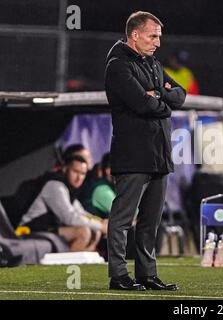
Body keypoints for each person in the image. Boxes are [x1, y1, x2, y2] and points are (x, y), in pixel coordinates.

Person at [105, 11, 186, 291]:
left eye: (159, 37)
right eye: (153, 36)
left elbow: (181, 94)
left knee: (151, 221)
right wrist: (162, 103)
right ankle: (118, 275)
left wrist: (159, 95)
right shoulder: (118, 65)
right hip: (133, 153)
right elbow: (142, 104)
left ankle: (147, 275)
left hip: (159, 153)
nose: (158, 43)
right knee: (123, 219)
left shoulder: (152, 62)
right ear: (135, 35)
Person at [18, 155, 108, 252]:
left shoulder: (68, 190)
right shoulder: (54, 186)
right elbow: (69, 218)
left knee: (96, 232)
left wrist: (100, 222)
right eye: (75, 172)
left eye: (82, 174)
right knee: (83, 232)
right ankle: (69, 266)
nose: (79, 177)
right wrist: (101, 226)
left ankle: (80, 265)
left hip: (48, 229)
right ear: (65, 169)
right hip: (29, 230)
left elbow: (82, 214)